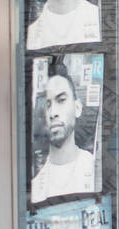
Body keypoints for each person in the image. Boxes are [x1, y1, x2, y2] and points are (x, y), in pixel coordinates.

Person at [31, 65, 95, 204]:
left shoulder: (94, 170)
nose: (53, 112)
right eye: (47, 104)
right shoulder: (36, 187)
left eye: (61, 100)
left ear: (77, 108)